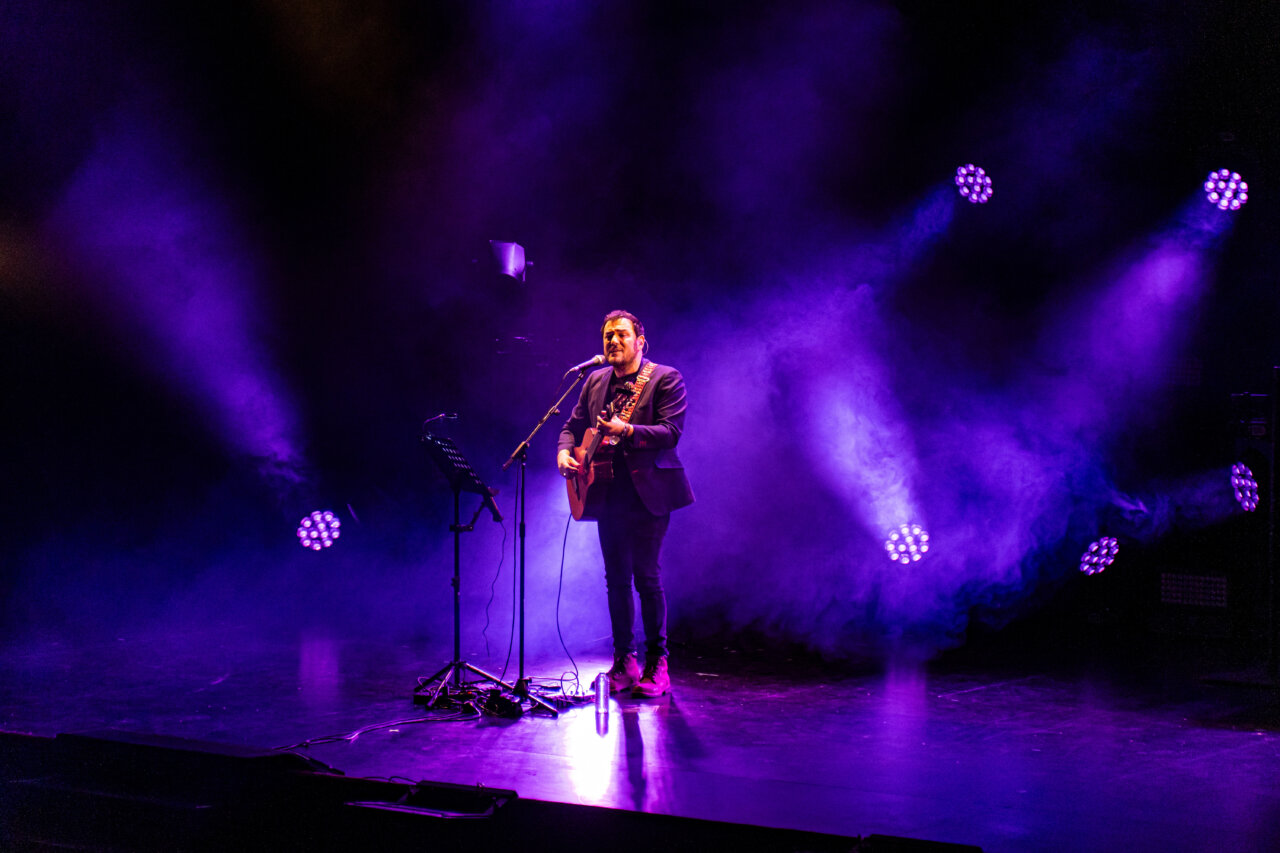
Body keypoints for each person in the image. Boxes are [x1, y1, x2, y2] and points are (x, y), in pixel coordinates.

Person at [557, 310, 693, 697]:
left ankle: (657, 663)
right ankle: (624, 661)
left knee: (646, 577)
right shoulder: (594, 381)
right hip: (605, 493)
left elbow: (671, 432)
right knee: (615, 580)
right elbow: (571, 426)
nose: (612, 342)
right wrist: (565, 453)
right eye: (606, 336)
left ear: (639, 341)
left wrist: (627, 430)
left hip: (648, 493)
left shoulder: (665, 378)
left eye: (620, 335)